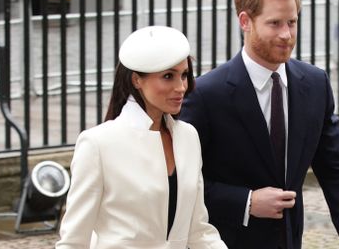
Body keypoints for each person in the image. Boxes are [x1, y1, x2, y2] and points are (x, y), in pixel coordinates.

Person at [180, 0, 339, 249]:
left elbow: (337, 172)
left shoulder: (315, 84)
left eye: (292, 22)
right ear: (245, 21)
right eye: (275, 23)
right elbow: (181, 184)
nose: (286, 34)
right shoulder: (207, 94)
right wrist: (245, 201)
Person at [56, 26, 227, 249]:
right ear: (137, 80)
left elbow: (199, 232)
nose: (181, 87)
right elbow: (73, 242)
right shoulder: (97, 144)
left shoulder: (188, 137)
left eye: (184, 75)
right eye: (168, 76)